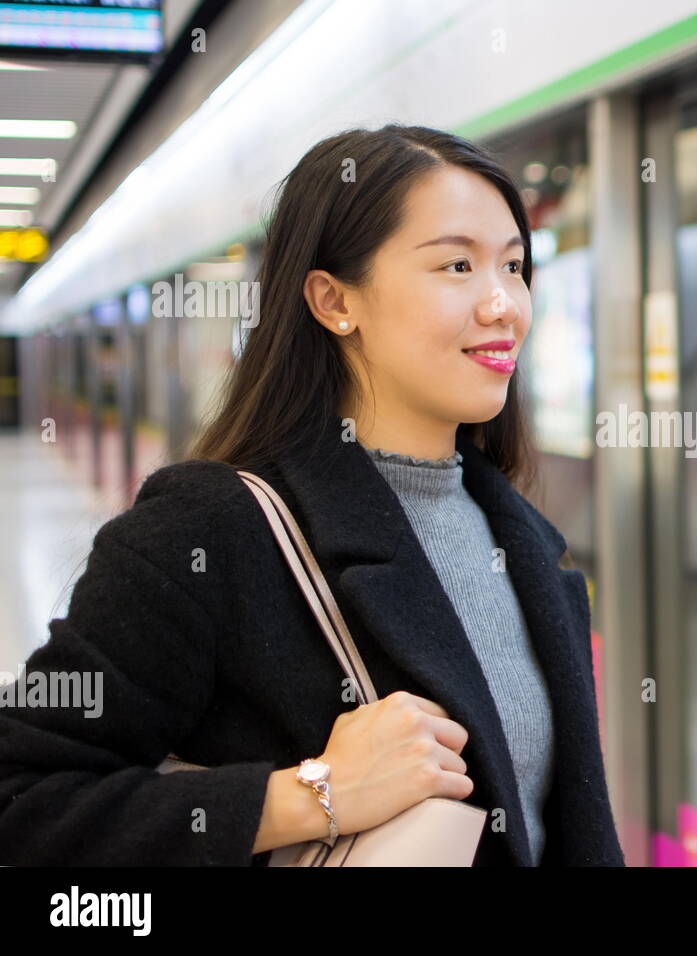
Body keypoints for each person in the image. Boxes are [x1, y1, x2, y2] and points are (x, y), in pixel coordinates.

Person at [0, 124, 624, 867]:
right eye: (458, 265)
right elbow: (23, 794)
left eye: (515, 267)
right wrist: (310, 795)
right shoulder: (209, 532)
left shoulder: (520, 537)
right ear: (332, 301)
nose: (505, 305)